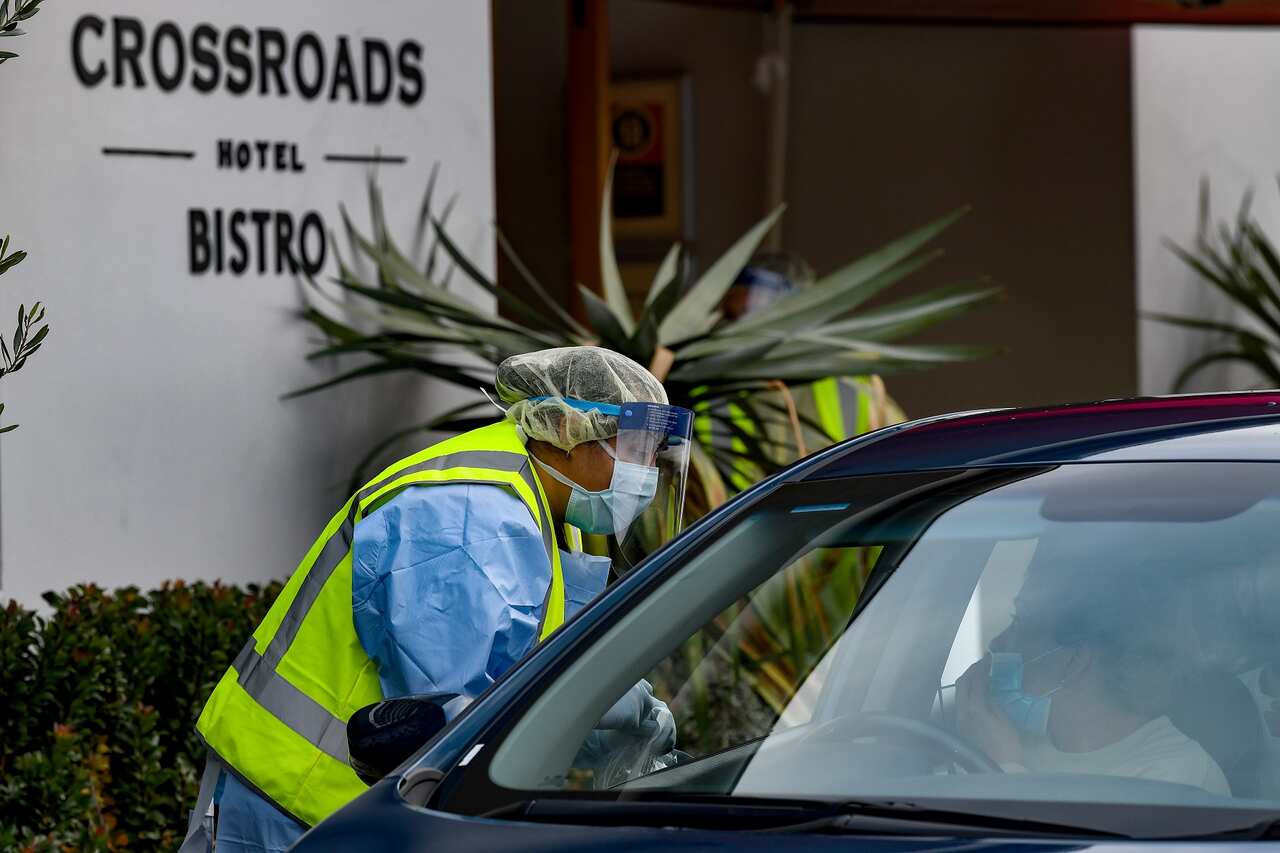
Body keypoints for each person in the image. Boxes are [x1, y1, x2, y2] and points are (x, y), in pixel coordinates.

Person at [182, 346, 693, 852]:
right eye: (633, 449)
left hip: (357, 809)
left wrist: (634, 719)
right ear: (563, 429)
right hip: (292, 800)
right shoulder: (471, 516)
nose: (645, 472)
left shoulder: (547, 502)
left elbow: (551, 655)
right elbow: (455, 714)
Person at [954, 559, 1229, 794]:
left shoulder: (1177, 776)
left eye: (1020, 622)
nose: (998, 642)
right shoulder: (1007, 740)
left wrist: (1002, 767)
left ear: (1074, 661)